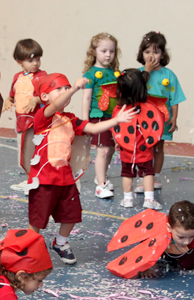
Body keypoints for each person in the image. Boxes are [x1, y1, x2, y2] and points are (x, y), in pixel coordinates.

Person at [27, 73, 135, 264]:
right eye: (58, 89)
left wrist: (117, 120)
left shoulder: (70, 119)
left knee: (72, 214)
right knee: (37, 219)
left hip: (66, 179)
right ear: (44, 97)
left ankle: (60, 242)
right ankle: (30, 245)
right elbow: (54, 106)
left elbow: (93, 129)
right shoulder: (42, 116)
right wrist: (75, 89)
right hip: (43, 179)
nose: (65, 92)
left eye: (66, 88)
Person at [135, 31, 186, 193]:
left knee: (158, 148)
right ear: (142, 54)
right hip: (143, 119)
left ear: (162, 54)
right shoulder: (139, 73)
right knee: (144, 148)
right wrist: (147, 71)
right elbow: (136, 90)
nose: (151, 56)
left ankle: (155, 176)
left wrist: (174, 118)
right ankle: (144, 176)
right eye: (147, 52)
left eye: (156, 52)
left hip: (162, 118)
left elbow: (175, 98)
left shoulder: (169, 75)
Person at [111, 68, 163, 210]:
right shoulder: (148, 108)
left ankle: (128, 199)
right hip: (144, 150)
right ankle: (149, 200)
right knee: (147, 173)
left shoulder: (119, 109)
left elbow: (116, 129)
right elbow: (154, 128)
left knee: (127, 173)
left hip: (126, 151)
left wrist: (118, 142)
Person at [3, 39, 47, 192]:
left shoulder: (42, 76)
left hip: (36, 123)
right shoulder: (17, 77)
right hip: (21, 121)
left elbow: (48, 95)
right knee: (24, 153)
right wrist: (7, 101)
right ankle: (30, 178)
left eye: (38, 59)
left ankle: (36, 180)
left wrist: (37, 98)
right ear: (19, 61)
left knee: (35, 151)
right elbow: (11, 96)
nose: (35, 63)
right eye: (30, 60)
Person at [81, 33, 121, 199]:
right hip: (98, 117)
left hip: (113, 117)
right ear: (94, 52)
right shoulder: (91, 74)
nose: (108, 55)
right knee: (102, 150)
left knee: (110, 150)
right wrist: (85, 122)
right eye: (103, 50)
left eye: (111, 51)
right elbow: (86, 98)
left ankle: (101, 177)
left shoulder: (114, 72)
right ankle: (100, 185)